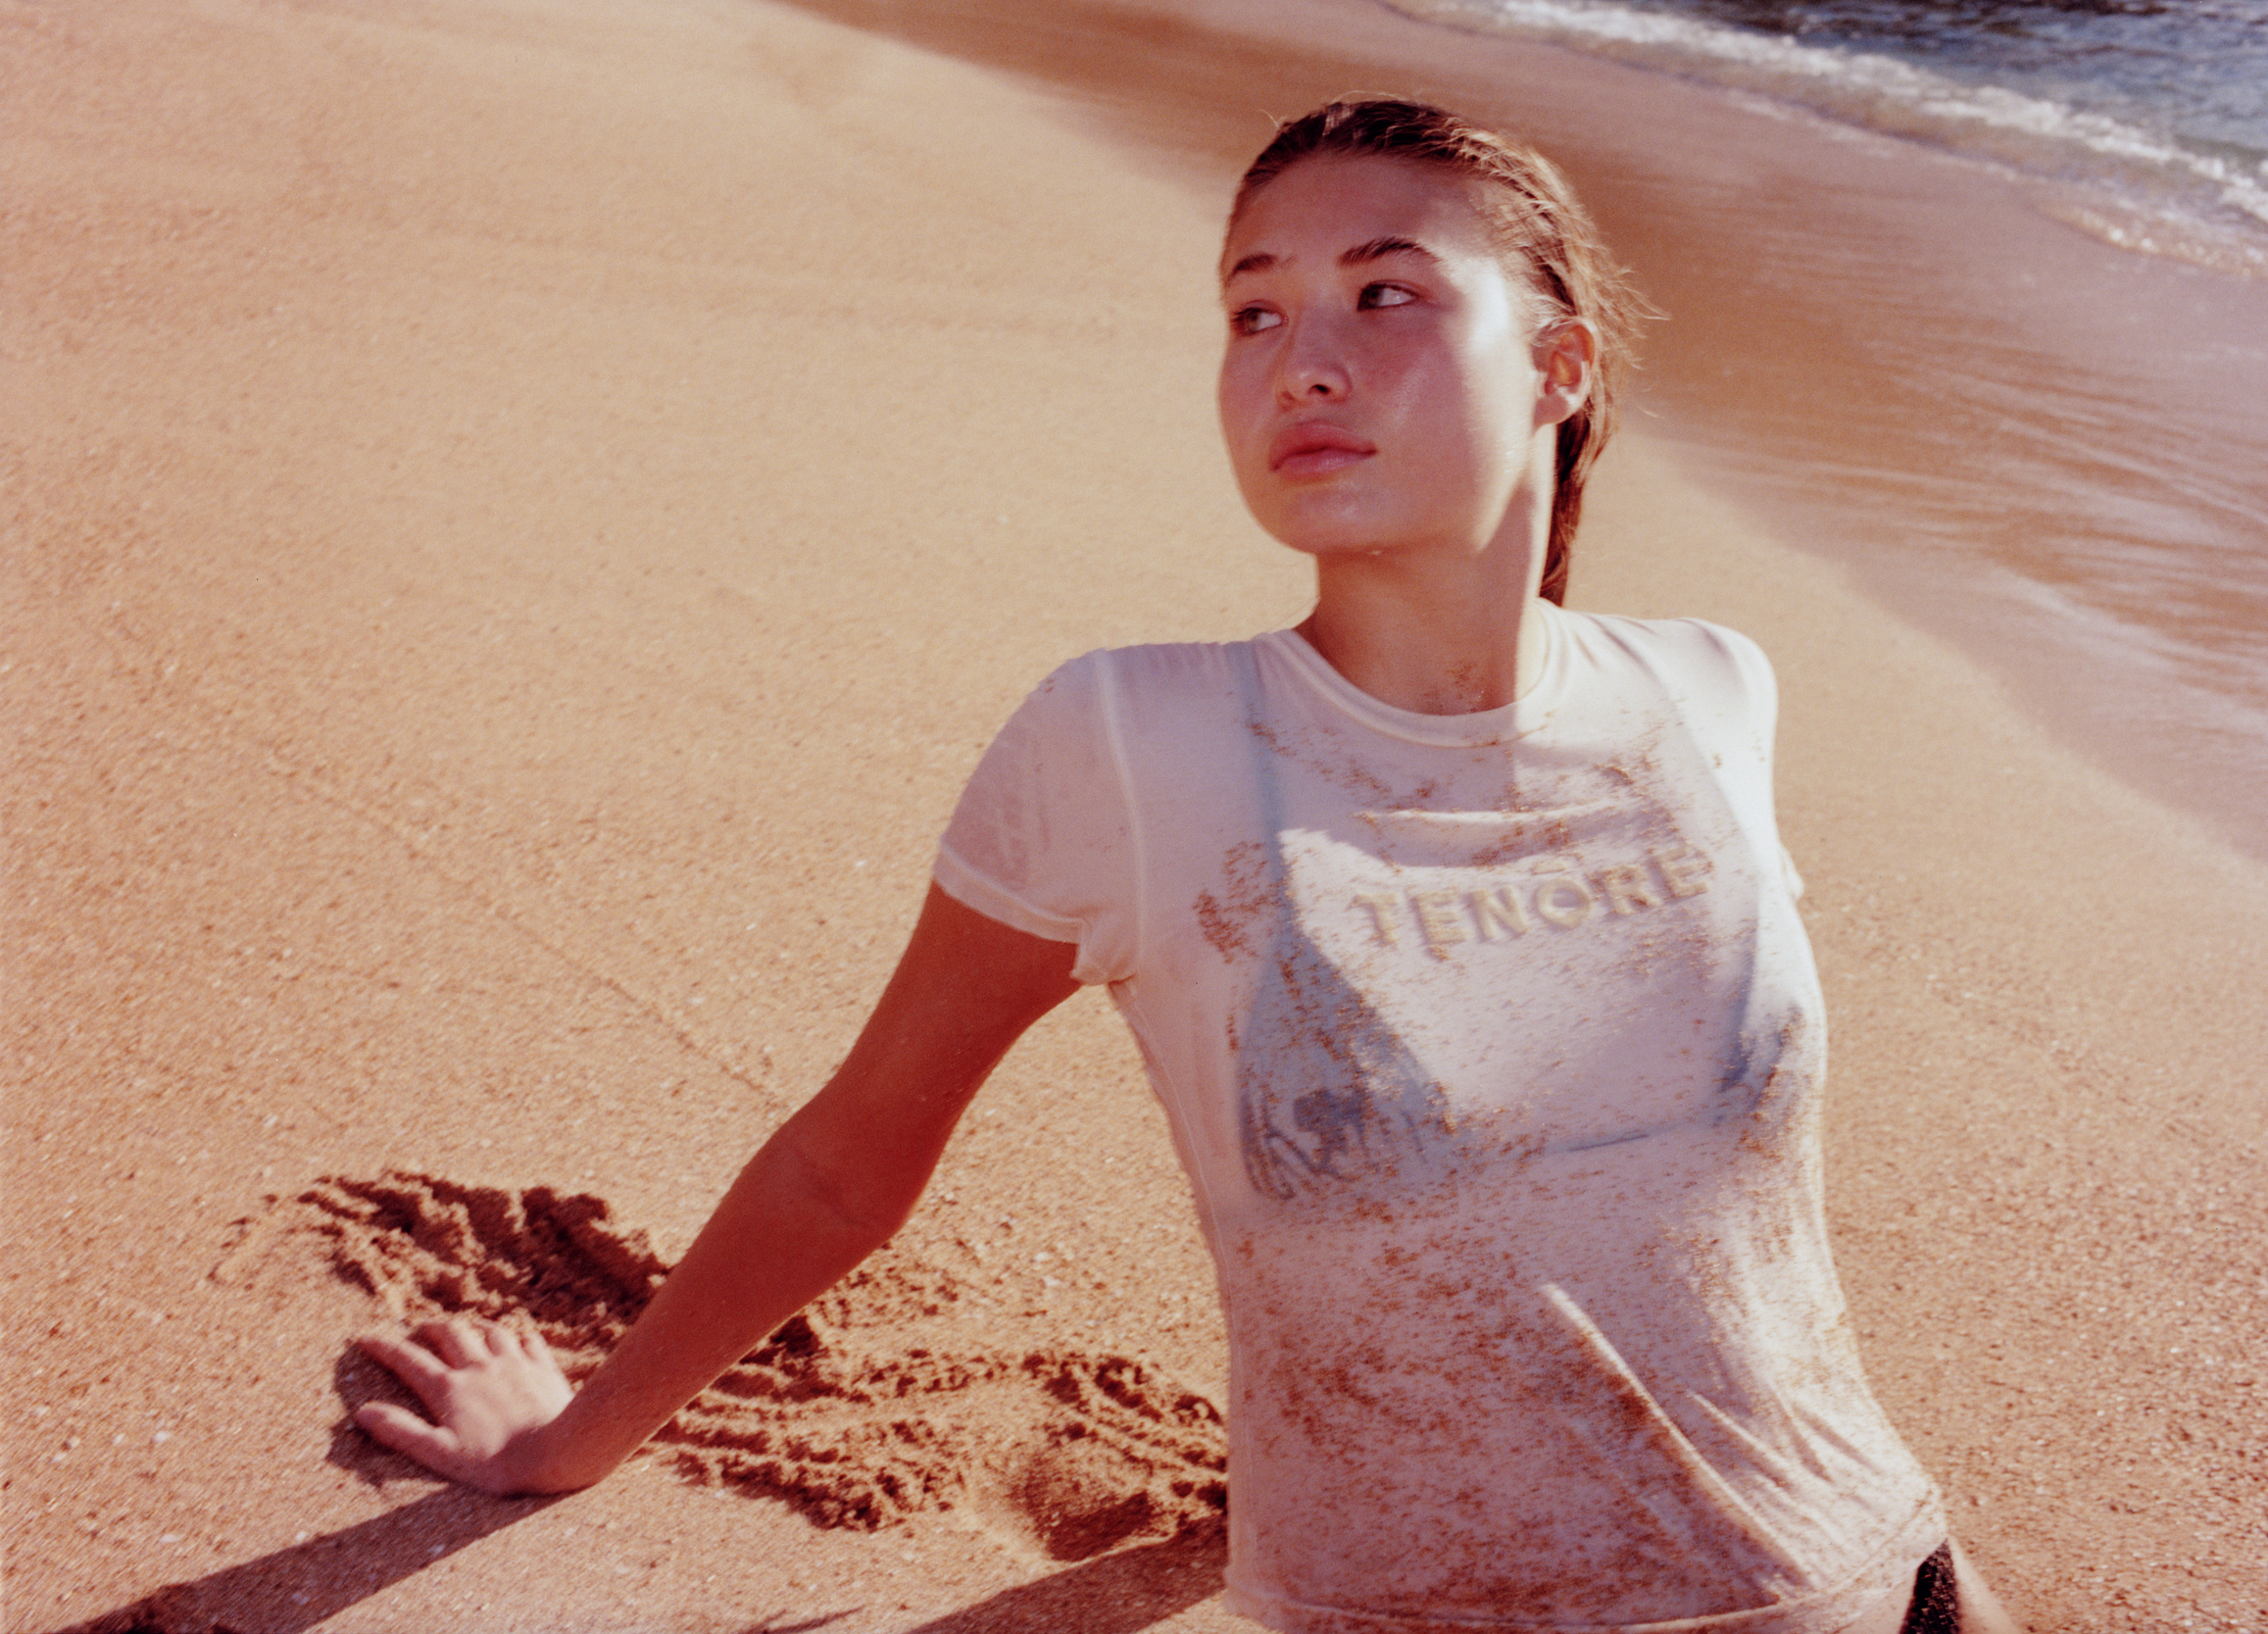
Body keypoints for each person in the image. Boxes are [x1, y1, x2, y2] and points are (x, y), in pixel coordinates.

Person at [354, 98, 2021, 1634]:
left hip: (1893, 1584)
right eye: (1254, 312)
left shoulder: (1711, 691)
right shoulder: (1134, 744)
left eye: (1384, 294)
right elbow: (849, 1163)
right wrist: (565, 1442)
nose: (1303, 364)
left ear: (1559, 367)